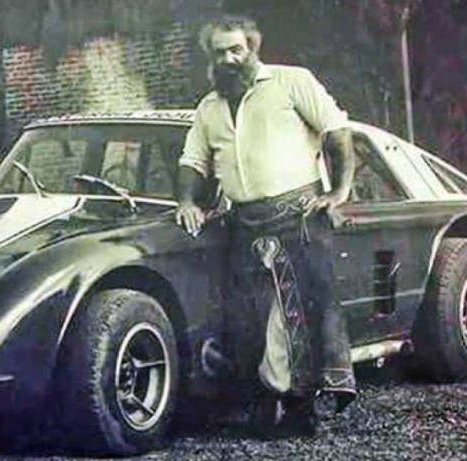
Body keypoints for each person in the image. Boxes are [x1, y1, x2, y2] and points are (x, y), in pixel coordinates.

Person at [175, 14, 357, 438]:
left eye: (236, 49)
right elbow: (192, 161)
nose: (228, 59)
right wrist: (186, 200)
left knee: (293, 317)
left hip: (298, 219)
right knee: (252, 320)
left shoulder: (292, 82)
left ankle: (302, 405)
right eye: (220, 53)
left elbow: (337, 131)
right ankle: (269, 401)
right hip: (245, 225)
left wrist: (340, 191)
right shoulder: (208, 108)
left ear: (252, 48)